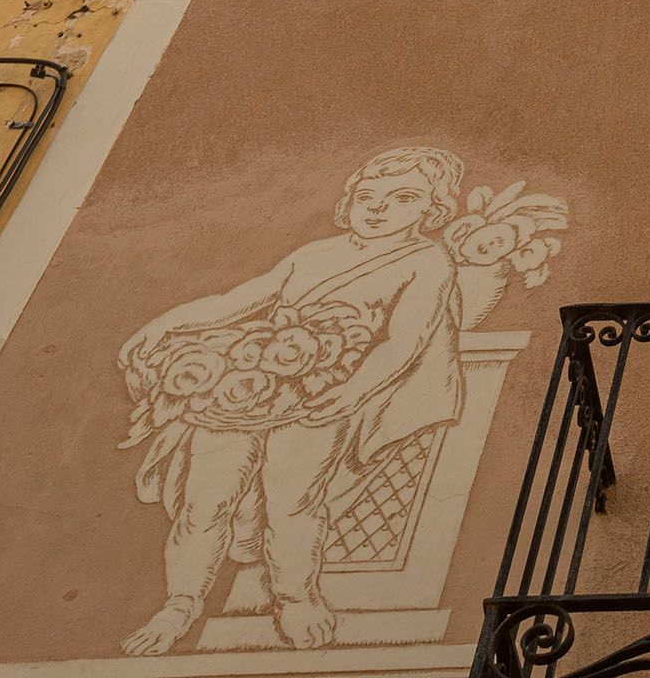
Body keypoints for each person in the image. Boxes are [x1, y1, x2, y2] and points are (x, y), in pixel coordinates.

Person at [115, 147, 466, 656]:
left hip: (321, 397)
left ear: (433, 208)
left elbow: (404, 340)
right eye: (367, 195)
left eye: (403, 197)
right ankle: (180, 603)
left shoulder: (426, 262)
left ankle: (295, 598)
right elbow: (239, 301)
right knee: (203, 501)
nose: (378, 207)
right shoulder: (314, 254)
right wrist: (165, 323)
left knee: (292, 504)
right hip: (246, 388)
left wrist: (351, 393)